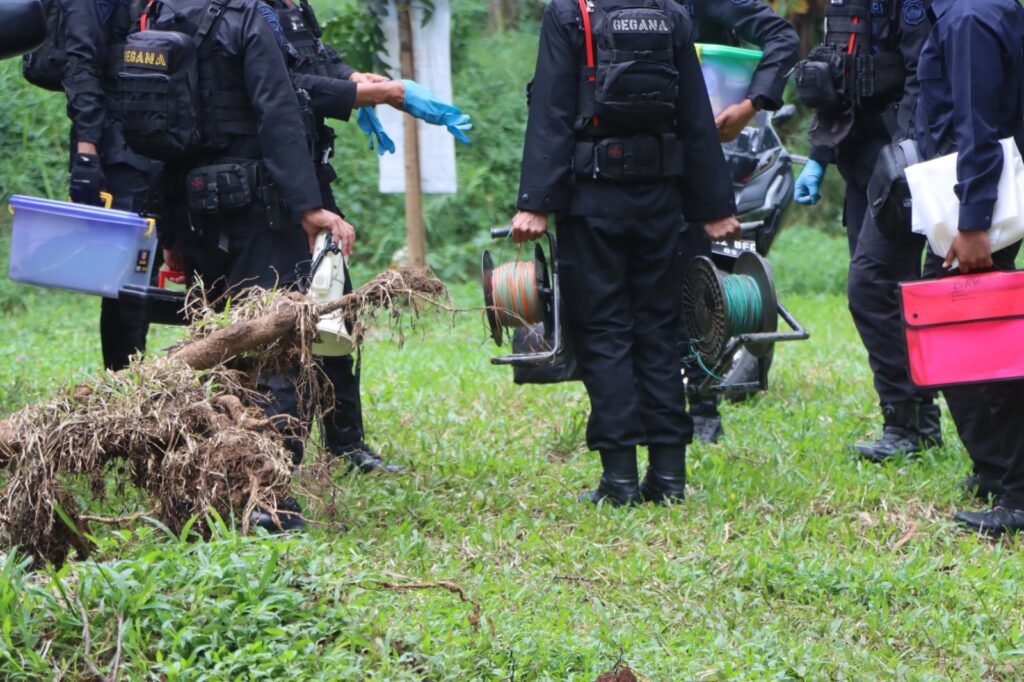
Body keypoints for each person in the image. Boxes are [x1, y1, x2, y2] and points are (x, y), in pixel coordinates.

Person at [511, 0, 739, 505]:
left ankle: (618, 482)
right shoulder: (671, 14)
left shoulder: (571, 13)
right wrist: (714, 205)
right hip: (662, 201)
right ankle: (669, 478)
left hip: (592, 200)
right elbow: (695, 114)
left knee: (604, 334)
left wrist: (535, 204)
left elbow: (551, 107)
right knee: (660, 330)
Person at [141, 0, 353, 531]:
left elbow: (151, 133)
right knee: (276, 350)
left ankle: (213, 495)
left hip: (192, 213)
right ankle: (270, 501)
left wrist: (169, 229)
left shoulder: (158, 17)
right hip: (259, 209)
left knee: (211, 352)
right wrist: (309, 206)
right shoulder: (247, 19)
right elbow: (278, 112)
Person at [261, 0, 470, 473]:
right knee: (287, 323)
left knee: (338, 313)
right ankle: (276, 456)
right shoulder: (246, 13)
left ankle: (346, 442)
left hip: (309, 176)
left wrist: (358, 79)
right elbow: (283, 87)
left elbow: (315, 57)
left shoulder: (291, 5)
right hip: (273, 183)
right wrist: (367, 96)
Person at [793, 0, 940, 463]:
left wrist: (908, 156)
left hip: (899, 162)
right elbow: (836, 74)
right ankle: (917, 423)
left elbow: (925, 76)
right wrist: (817, 157)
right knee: (891, 292)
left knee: (870, 286)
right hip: (857, 159)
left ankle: (905, 425)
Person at [913, 0, 1024, 535]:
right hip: (974, 199)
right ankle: (994, 470)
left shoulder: (968, 19)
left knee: (971, 345)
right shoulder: (980, 10)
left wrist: (972, 218)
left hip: (977, 208)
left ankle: (1015, 489)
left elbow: (977, 125)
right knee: (971, 343)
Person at [679, 0, 800, 444]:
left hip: (703, 159)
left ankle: (704, 407)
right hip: (633, 162)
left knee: (699, 278)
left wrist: (751, 104)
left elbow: (782, 38)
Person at [61, 0, 163, 371]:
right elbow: (81, 64)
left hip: (177, 141)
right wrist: (87, 153)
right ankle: (124, 389)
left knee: (183, 266)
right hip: (122, 150)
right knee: (128, 282)